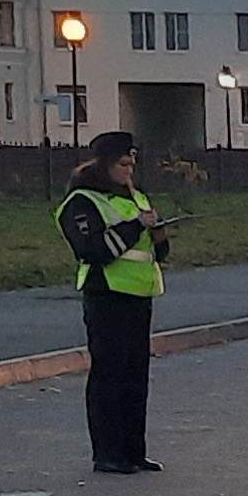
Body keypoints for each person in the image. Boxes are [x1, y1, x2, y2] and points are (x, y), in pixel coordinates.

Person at [59, 130, 168, 473]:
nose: (130, 170)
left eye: (133, 163)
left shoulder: (137, 198)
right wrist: (137, 226)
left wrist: (159, 233)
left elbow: (158, 252)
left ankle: (133, 451)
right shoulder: (82, 202)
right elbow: (94, 251)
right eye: (123, 164)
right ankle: (107, 453)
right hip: (106, 294)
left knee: (136, 377)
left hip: (139, 295)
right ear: (104, 165)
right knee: (110, 375)